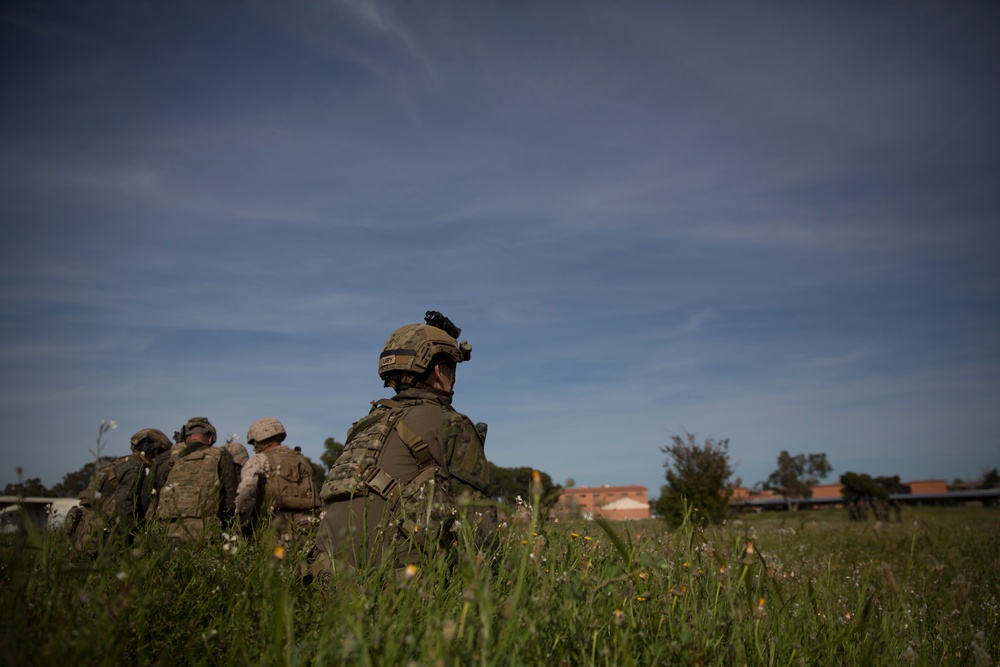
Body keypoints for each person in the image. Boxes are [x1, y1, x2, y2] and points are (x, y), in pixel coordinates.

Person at [309, 311, 497, 579]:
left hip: (324, 577)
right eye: (451, 367)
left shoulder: (366, 425)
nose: (453, 378)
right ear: (437, 370)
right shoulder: (452, 424)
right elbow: (480, 529)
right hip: (394, 589)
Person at [67, 427, 173, 556]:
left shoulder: (116, 464)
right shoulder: (134, 468)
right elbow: (123, 508)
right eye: (160, 452)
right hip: (98, 538)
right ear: (152, 449)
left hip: (83, 530)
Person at [147, 417, 237, 542]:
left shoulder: (165, 458)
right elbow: (230, 497)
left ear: (185, 437)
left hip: (164, 534)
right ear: (210, 438)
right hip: (205, 535)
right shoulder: (221, 455)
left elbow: (146, 497)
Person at [235, 417, 319, 549]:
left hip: (273, 530)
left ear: (259, 440)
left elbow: (246, 494)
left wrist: (242, 526)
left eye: (254, 443)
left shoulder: (258, 460)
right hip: (306, 529)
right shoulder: (301, 460)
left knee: (274, 569)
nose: (254, 448)